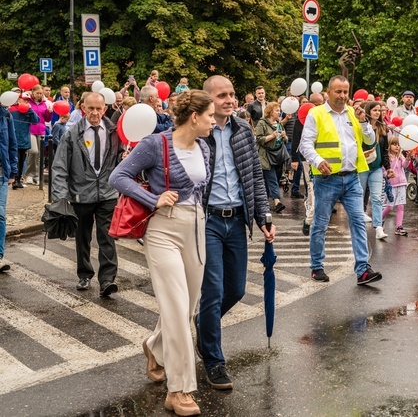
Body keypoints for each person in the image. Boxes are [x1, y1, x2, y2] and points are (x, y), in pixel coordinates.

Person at [109, 90, 214, 417]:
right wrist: (152, 197)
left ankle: (154, 347)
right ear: (194, 116)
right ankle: (179, 390)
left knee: (187, 310)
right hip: (163, 231)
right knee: (176, 308)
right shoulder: (155, 144)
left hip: (196, 229)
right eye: (209, 115)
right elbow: (118, 176)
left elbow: (201, 191)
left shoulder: (205, 147)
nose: (213, 121)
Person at [197, 76, 275, 390]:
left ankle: (203, 324)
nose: (229, 100)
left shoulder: (243, 129)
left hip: (237, 220)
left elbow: (254, 176)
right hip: (208, 222)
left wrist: (264, 215)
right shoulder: (198, 132)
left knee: (237, 290)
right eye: (222, 95)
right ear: (207, 100)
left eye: (231, 94)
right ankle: (214, 362)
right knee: (213, 292)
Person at [298, 75, 383, 285]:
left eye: (346, 92)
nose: (343, 96)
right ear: (328, 92)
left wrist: (364, 121)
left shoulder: (354, 114)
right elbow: (305, 144)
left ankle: (363, 269)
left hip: (352, 177)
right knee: (320, 224)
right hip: (327, 179)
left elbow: (370, 140)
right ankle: (317, 266)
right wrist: (318, 161)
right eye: (338, 91)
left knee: (358, 222)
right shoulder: (316, 113)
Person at [51, 92, 124, 295]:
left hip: (108, 193)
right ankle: (84, 274)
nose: (94, 112)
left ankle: (107, 279)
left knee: (106, 236)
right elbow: (59, 167)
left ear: (104, 109)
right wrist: (61, 198)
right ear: (83, 108)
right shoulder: (72, 134)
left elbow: (120, 160)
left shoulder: (114, 132)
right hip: (81, 194)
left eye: (98, 109)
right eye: (90, 108)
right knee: (82, 236)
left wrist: (125, 157)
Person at [291, 92, 325, 235]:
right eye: (316, 103)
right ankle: (310, 217)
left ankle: (315, 218)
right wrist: (294, 158)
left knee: (321, 190)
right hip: (307, 159)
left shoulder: (325, 116)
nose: (318, 106)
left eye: (320, 103)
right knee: (312, 188)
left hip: (324, 158)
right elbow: (296, 138)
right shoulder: (303, 117)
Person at [360, 101, 390, 239]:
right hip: (362, 167)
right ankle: (358, 223)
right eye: (375, 110)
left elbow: (385, 151)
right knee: (359, 195)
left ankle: (378, 227)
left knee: (377, 198)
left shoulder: (382, 128)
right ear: (368, 111)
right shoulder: (361, 127)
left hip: (376, 168)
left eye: (379, 110)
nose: (378, 113)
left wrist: (388, 168)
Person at [255, 101, 287, 214]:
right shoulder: (262, 123)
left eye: (279, 110)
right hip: (266, 156)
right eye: (277, 110)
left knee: (272, 180)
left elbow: (286, 139)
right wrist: (271, 136)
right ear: (270, 112)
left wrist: (283, 136)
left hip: (278, 156)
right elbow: (258, 139)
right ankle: (277, 202)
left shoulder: (279, 123)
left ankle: (264, 202)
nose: (279, 112)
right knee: (272, 179)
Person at [0, 101, 18, 272]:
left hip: (1, 173)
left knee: (0, 214)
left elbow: (12, 144)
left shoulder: (5, 116)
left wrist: (13, 170)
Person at [10, 93, 39, 189]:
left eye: (28, 100)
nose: (26, 102)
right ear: (19, 100)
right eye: (24, 100)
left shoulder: (29, 111)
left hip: (24, 139)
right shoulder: (12, 109)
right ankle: (13, 179)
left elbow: (36, 121)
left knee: (22, 160)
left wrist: (30, 110)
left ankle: (18, 180)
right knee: (15, 159)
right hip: (14, 138)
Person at [382, 136, 409, 236]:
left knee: (401, 206)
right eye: (394, 144)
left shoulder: (400, 156)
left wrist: (408, 159)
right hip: (392, 185)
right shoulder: (387, 157)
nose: (397, 147)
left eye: (398, 145)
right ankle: (379, 220)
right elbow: (384, 170)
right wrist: (386, 174)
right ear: (389, 145)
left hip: (401, 183)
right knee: (390, 207)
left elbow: (405, 165)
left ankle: (399, 226)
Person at [25, 85, 52, 185]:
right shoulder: (29, 102)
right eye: (38, 93)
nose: (39, 95)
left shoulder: (44, 104)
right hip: (31, 129)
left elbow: (47, 119)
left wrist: (49, 112)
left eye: (41, 93)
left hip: (41, 130)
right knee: (34, 152)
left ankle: (36, 176)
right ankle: (29, 174)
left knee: (39, 155)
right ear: (33, 92)